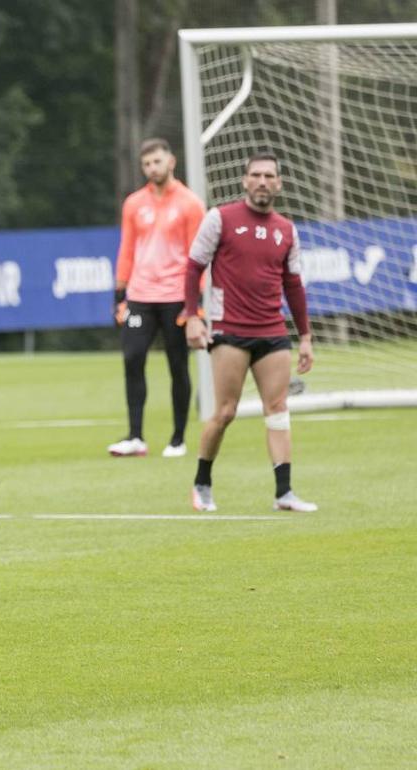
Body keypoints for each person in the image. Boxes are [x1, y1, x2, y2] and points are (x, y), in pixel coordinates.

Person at [183, 150, 317, 513]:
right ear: (245, 181)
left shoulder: (287, 229)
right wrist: (191, 316)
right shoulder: (220, 219)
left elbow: (294, 285)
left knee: (278, 409)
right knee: (225, 412)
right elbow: (194, 266)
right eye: (255, 175)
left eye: (269, 176)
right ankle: (202, 483)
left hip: (272, 332)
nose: (262, 181)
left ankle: (284, 493)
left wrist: (304, 337)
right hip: (230, 331)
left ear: (279, 183)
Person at [108, 138, 205, 458]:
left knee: (178, 364)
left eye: (157, 162)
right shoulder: (134, 203)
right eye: (147, 164)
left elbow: (198, 256)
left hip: (176, 295)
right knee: (132, 358)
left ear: (171, 162)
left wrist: (196, 305)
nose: (152, 169)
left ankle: (178, 438)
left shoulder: (190, 203)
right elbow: (127, 249)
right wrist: (119, 293)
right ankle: (135, 436)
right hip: (140, 294)